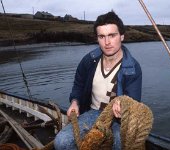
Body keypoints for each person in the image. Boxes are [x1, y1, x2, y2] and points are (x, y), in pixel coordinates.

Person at [54, 11, 142, 150]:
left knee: (120, 144)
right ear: (97, 38)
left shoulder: (133, 68)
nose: (107, 42)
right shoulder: (88, 61)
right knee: (61, 142)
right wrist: (75, 102)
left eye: (112, 35)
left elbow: (134, 99)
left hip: (118, 121)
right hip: (92, 113)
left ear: (122, 36)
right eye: (102, 36)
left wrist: (123, 104)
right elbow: (78, 85)